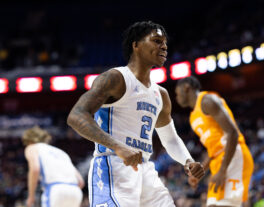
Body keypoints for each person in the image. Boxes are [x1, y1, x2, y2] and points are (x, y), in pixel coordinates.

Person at [67, 21, 205, 207]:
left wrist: (188, 161)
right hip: (113, 166)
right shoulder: (115, 78)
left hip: (146, 170)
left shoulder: (161, 95)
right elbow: (76, 116)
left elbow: (170, 139)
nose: (163, 46)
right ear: (136, 45)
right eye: (156, 41)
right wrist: (118, 146)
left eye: (165, 42)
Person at [175, 76, 254, 207]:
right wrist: (200, 171)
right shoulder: (193, 117)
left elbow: (232, 133)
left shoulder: (207, 101)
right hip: (219, 161)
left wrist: (223, 169)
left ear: (186, 88)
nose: (176, 97)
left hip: (233, 156)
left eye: (177, 93)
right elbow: (213, 149)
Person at [22, 126, 84, 207]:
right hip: (75, 191)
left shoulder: (32, 147)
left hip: (55, 189)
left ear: (29, 140)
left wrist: (31, 196)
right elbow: (80, 182)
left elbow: (35, 169)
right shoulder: (61, 152)